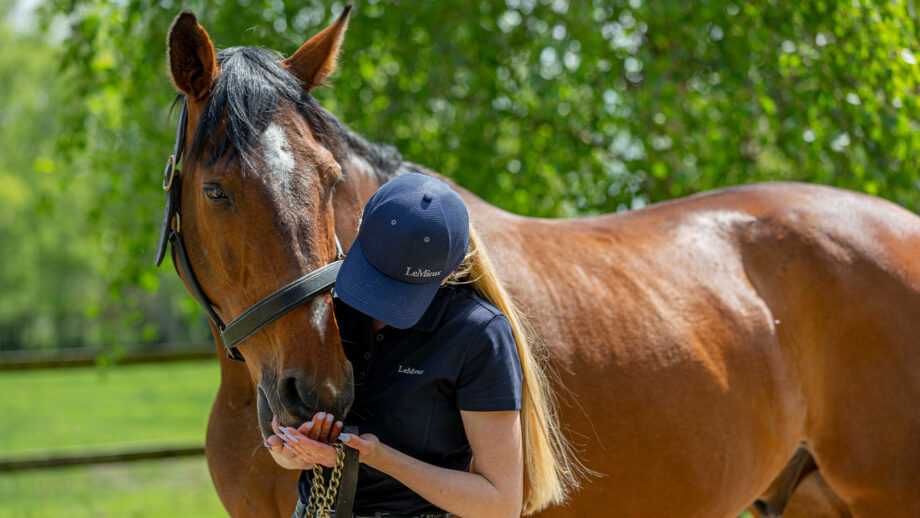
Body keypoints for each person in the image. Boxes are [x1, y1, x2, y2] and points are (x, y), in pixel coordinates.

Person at [263, 173, 579, 518]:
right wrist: (292, 452)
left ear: (447, 272)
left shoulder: (477, 334)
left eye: (399, 293)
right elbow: (286, 450)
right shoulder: (329, 306)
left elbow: (499, 504)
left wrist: (380, 458)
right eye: (375, 279)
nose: (376, 305)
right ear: (360, 229)